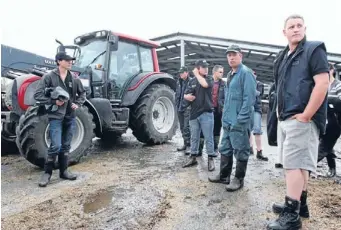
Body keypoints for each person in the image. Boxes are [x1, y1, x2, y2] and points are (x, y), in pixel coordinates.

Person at [267, 14, 329, 230]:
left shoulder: (313, 49)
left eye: (299, 25)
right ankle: (299, 205)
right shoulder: (283, 57)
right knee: (299, 164)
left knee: (292, 165)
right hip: (286, 117)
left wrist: (307, 115)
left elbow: (322, 84)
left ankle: (291, 215)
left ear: (305, 28)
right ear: (284, 32)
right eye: (291, 26)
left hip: (301, 117)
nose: (295, 29)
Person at [34, 51, 86, 187]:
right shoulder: (49, 77)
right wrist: (53, 101)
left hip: (70, 116)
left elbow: (83, 93)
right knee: (55, 146)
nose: (70, 62)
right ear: (59, 61)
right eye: (67, 60)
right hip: (56, 116)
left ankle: (64, 172)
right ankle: (47, 173)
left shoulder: (74, 78)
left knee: (66, 145)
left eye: (71, 60)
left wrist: (78, 104)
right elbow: (38, 95)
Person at [209, 45, 256, 191]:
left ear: (240, 56)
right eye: (229, 55)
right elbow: (229, 98)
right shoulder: (230, 74)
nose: (231, 57)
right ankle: (224, 176)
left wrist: (241, 120)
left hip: (239, 122)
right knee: (225, 148)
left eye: (234, 54)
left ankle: (238, 179)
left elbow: (249, 99)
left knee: (241, 150)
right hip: (228, 120)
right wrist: (225, 118)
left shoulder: (246, 73)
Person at [182, 60, 216, 171]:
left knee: (208, 137)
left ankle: (211, 158)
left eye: (207, 66)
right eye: (203, 67)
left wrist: (196, 73)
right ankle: (193, 157)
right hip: (194, 113)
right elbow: (186, 94)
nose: (206, 68)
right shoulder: (192, 81)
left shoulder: (209, 78)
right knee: (194, 137)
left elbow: (205, 84)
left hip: (206, 113)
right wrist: (187, 97)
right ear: (198, 67)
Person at [317, 63, 341, 178]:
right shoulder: (323, 85)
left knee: (323, 147)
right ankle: (332, 170)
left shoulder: (338, 85)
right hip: (324, 120)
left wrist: (326, 99)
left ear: (331, 71)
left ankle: (306, 168)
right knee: (328, 147)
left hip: (334, 122)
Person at [198, 65, 226, 156]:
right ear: (214, 72)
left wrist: (223, 106)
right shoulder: (206, 81)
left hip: (218, 110)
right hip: (206, 110)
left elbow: (226, 97)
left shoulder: (223, 84)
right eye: (220, 72)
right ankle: (199, 149)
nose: (222, 74)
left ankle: (215, 148)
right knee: (202, 130)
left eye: (222, 72)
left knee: (217, 129)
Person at [249, 71, 268, 161]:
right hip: (247, 109)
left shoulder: (259, 84)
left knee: (257, 129)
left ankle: (259, 151)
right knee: (248, 129)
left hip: (256, 108)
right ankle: (250, 147)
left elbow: (258, 93)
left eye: (254, 75)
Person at [175, 66, 191, 155]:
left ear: (187, 72)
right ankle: (185, 143)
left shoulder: (191, 82)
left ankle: (189, 145)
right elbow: (177, 93)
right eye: (180, 73)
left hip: (187, 108)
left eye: (182, 72)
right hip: (180, 107)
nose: (181, 74)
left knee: (187, 127)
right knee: (181, 127)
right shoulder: (179, 82)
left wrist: (188, 106)